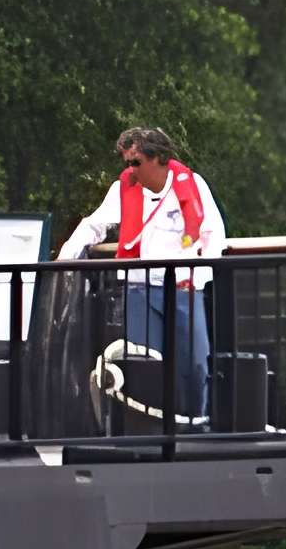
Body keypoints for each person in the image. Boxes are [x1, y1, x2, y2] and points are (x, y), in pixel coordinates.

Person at [59, 124, 227, 424]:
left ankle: (196, 424)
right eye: (126, 162)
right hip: (139, 288)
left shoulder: (193, 184)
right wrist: (65, 257)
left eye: (136, 162)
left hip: (184, 288)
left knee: (194, 364)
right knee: (144, 365)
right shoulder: (123, 188)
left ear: (158, 158)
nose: (130, 169)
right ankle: (148, 429)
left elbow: (213, 235)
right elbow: (93, 225)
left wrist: (197, 274)